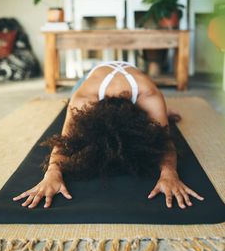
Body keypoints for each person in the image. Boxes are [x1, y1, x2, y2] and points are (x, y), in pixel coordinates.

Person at [13, 61, 204, 209]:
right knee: (71, 115)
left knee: (160, 121)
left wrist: (169, 172)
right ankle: (162, 113)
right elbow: (65, 142)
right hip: (90, 79)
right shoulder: (83, 98)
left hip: (135, 80)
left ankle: (161, 112)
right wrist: (52, 173)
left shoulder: (150, 94)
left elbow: (165, 142)